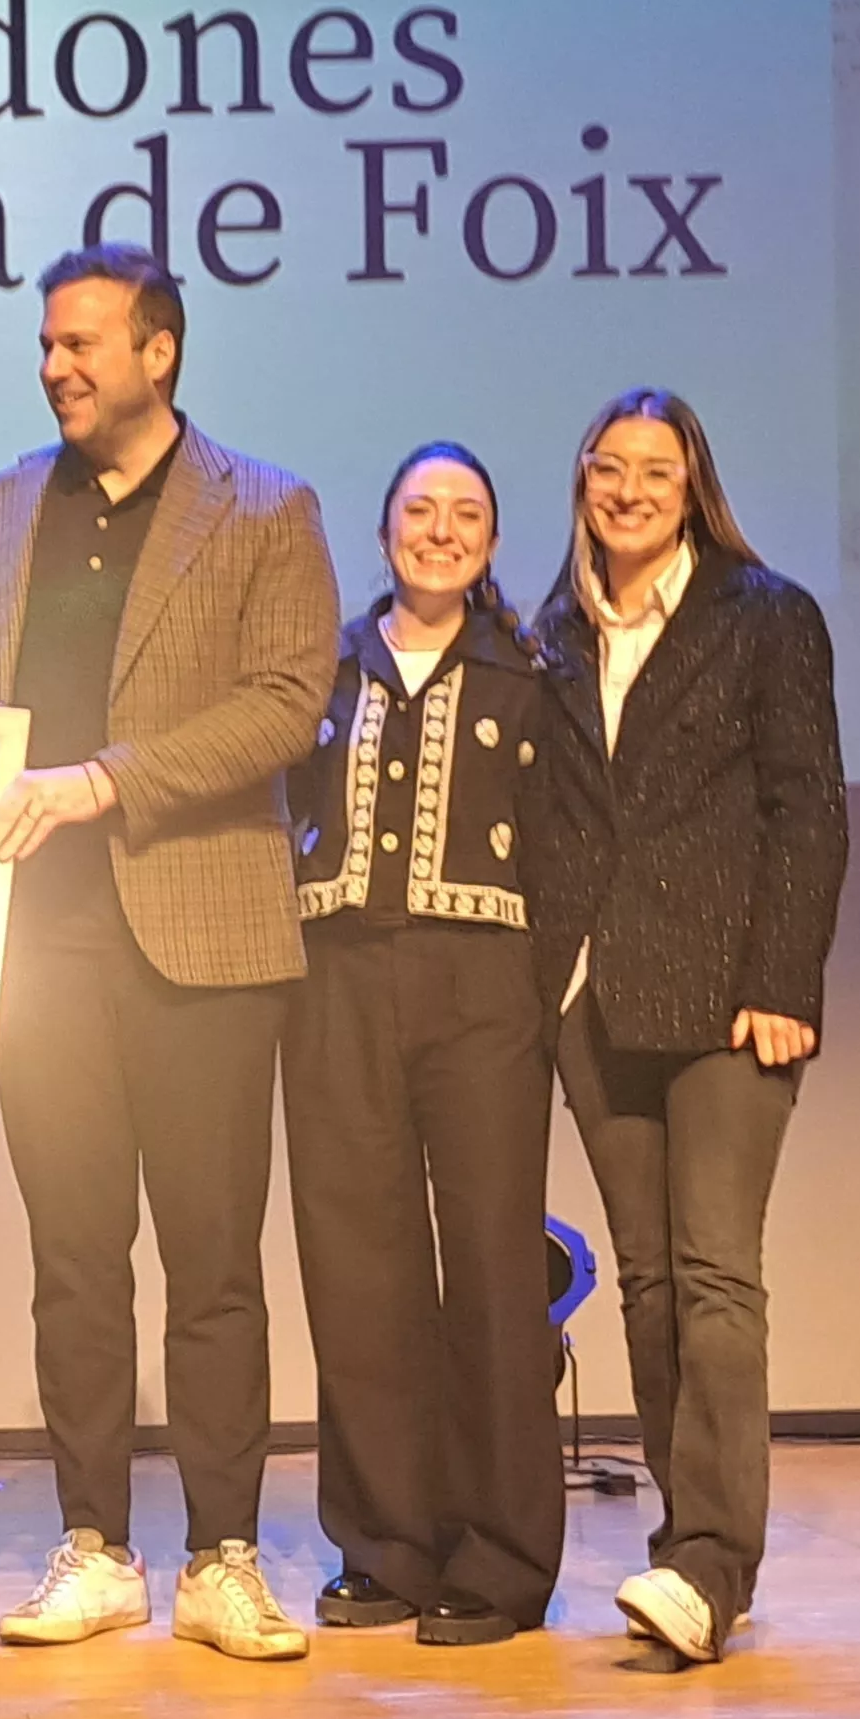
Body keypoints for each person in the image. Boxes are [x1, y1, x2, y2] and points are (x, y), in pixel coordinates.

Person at [0, 242, 337, 1662]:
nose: (54, 366)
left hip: (201, 928)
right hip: (40, 941)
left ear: (159, 354)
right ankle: (91, 1547)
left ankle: (220, 1555)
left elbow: (283, 705)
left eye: (81, 344)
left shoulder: (264, 510)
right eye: (46, 344)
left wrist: (105, 781)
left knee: (209, 1263)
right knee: (71, 1257)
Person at [528, 388, 845, 1671]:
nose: (628, 489)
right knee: (646, 1281)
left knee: (714, 1270)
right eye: (608, 466)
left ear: (692, 483)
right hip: (589, 999)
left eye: (655, 469)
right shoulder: (546, 630)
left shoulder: (762, 617)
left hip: (727, 998)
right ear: (583, 482)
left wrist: (783, 979)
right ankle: (687, 1542)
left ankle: (708, 1564)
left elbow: (807, 808)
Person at [281, 444, 568, 1647]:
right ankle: (384, 1544)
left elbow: (564, 850)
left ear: (492, 544)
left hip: (483, 991)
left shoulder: (530, 675)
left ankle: (499, 1560)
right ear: (384, 527)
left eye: (464, 516)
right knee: (357, 1270)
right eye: (417, 510)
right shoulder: (323, 666)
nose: (439, 532)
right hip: (336, 978)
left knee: (495, 1275)